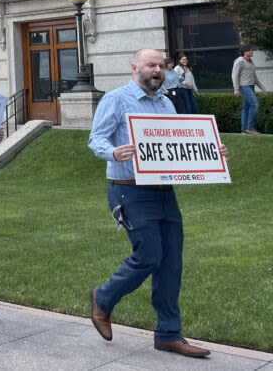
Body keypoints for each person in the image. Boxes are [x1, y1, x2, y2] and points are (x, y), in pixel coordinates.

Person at [88, 48, 227, 358]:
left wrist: (211, 154)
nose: (158, 70)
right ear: (135, 67)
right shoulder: (117, 99)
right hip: (129, 190)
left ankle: (168, 334)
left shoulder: (165, 102)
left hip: (164, 192)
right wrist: (113, 152)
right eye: (151, 64)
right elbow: (96, 138)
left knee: (170, 263)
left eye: (161, 65)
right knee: (149, 255)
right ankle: (103, 298)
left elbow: (179, 144)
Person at [232, 46, 266, 134]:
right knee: (255, 105)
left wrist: (262, 88)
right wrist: (236, 89)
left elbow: (254, 77)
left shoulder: (251, 62)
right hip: (244, 86)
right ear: (244, 51)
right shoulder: (239, 61)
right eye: (250, 50)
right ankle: (251, 127)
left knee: (246, 108)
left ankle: (244, 130)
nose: (252, 51)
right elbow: (234, 75)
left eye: (252, 50)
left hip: (251, 86)